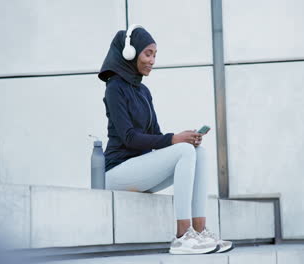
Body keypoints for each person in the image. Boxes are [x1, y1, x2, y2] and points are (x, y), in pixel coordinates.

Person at [98, 24, 233, 255]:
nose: (152, 60)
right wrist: (175, 141)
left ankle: (199, 231)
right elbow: (130, 138)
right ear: (129, 53)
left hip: (139, 170)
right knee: (183, 150)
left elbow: (156, 136)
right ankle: (182, 236)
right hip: (116, 172)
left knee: (197, 152)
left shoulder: (143, 92)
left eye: (155, 55)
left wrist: (184, 138)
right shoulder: (115, 88)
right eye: (147, 53)